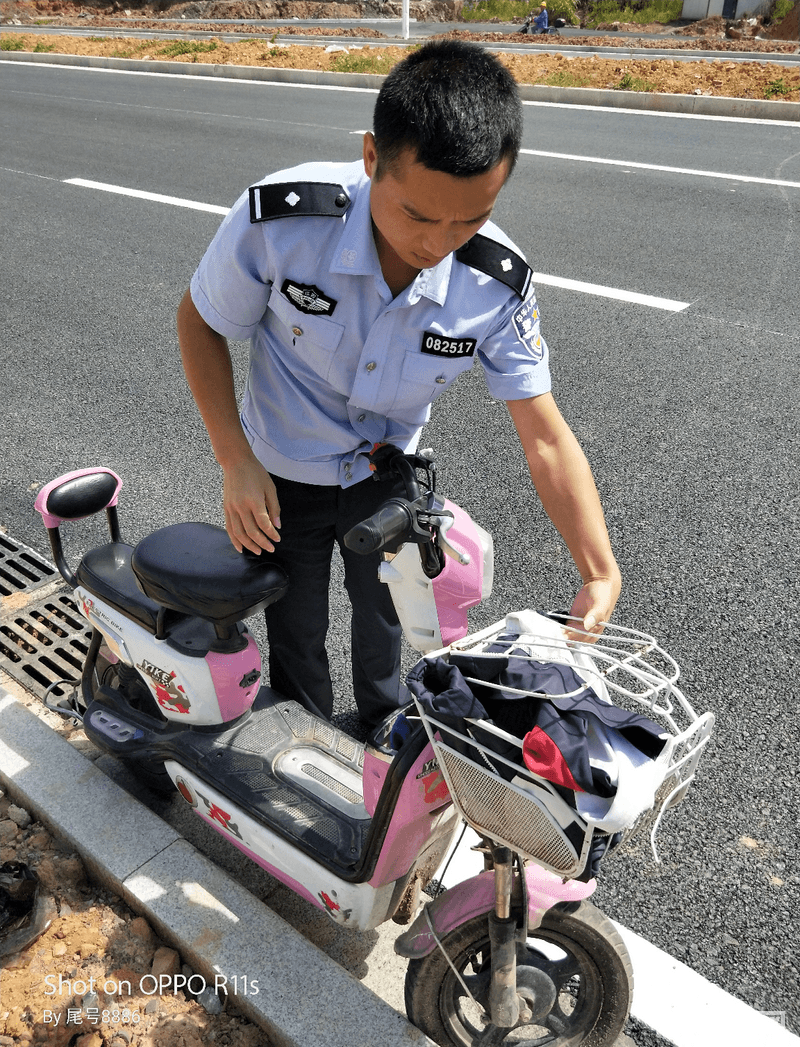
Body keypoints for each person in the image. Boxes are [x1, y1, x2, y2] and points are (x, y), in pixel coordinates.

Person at [177, 39, 621, 728]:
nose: (438, 242)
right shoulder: (287, 222)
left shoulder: (494, 285)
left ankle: (384, 734)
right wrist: (233, 458)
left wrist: (598, 570)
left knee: (389, 621)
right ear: (369, 158)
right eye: (416, 214)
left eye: (470, 218)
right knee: (295, 626)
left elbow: (545, 436)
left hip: (388, 473)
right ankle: (303, 739)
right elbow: (200, 320)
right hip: (278, 470)